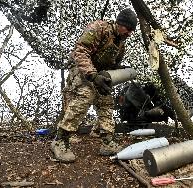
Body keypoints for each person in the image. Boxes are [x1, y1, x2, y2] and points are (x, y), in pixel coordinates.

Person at [50, 8, 138, 163]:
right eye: (128, 28)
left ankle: (107, 142)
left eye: (132, 30)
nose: (130, 33)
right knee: (86, 95)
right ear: (120, 23)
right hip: (81, 70)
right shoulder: (99, 28)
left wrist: (119, 69)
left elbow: (112, 65)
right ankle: (60, 141)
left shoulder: (121, 44)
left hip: (99, 74)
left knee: (106, 101)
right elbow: (81, 52)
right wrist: (92, 75)